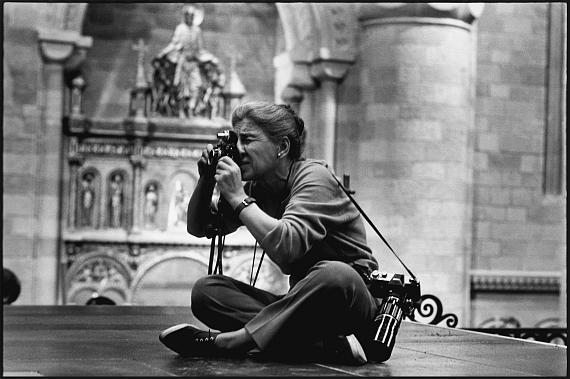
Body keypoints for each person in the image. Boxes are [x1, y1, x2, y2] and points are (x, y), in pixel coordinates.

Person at [159, 101, 380, 365]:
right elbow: (199, 227)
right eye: (235, 139)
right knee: (206, 291)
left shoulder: (315, 177)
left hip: (351, 306)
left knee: (335, 273)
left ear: (282, 147)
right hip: (302, 309)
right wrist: (206, 180)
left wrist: (238, 197)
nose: (237, 150)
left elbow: (287, 250)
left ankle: (232, 341)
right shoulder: (259, 188)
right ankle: (323, 346)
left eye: (247, 140)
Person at [156, 5, 205, 118]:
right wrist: (162, 53)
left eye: (192, 16)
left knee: (197, 85)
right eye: (188, 15)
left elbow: (200, 48)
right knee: (180, 86)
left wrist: (201, 57)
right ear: (184, 16)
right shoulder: (180, 28)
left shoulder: (197, 30)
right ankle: (180, 110)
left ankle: (191, 108)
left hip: (193, 62)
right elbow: (174, 44)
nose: (190, 18)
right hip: (182, 62)